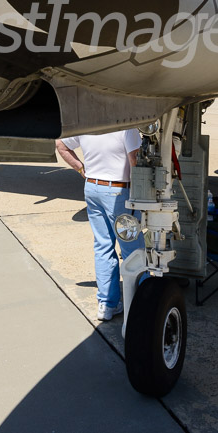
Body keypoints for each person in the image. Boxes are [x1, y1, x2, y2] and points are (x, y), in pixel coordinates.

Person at [56, 130, 143, 321]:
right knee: (133, 249)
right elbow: (135, 162)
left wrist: (80, 168)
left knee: (103, 246)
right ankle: (139, 301)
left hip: (92, 188)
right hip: (119, 191)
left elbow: (61, 145)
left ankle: (107, 304)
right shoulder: (128, 127)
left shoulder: (87, 124)